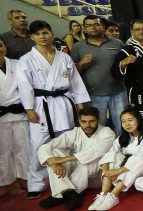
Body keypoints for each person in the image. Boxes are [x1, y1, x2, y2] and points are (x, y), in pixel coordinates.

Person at [18, 20, 91, 198]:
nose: (42, 37)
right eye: (38, 34)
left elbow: (75, 84)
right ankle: (37, 182)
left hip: (64, 103)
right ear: (32, 37)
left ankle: (69, 179)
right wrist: (28, 108)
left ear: (51, 34)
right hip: (40, 105)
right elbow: (24, 85)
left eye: (45, 32)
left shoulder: (64, 57)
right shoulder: (26, 60)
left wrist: (80, 107)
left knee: (66, 141)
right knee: (39, 143)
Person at [36, 106, 115, 211]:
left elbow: (94, 152)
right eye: (84, 122)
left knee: (89, 160)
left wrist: (61, 160)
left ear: (99, 120)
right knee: (53, 151)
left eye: (92, 121)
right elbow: (45, 147)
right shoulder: (75, 133)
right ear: (79, 121)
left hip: (96, 175)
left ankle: (61, 194)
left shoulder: (107, 132)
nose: (87, 125)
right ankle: (68, 193)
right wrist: (54, 164)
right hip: (76, 172)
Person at [92, 107, 143, 211]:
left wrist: (118, 170)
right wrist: (107, 172)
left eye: (130, 120)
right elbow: (110, 153)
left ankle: (113, 195)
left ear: (138, 120)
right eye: (123, 121)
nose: (127, 124)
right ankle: (103, 194)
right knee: (114, 156)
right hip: (126, 165)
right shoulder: (123, 137)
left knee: (133, 162)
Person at [70, 15, 127, 128]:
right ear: (84, 29)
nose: (93, 27)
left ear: (103, 27)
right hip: (93, 94)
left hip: (118, 92)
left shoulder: (117, 43)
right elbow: (73, 74)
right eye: (89, 25)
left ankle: (123, 145)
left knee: (123, 125)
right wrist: (81, 63)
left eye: (96, 24)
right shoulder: (78, 47)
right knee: (97, 127)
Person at [0, 31, 28, 195]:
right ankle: (7, 182)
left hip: (20, 112)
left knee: (23, 147)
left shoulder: (17, 63)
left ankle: (24, 177)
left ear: (5, 46)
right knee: (1, 151)